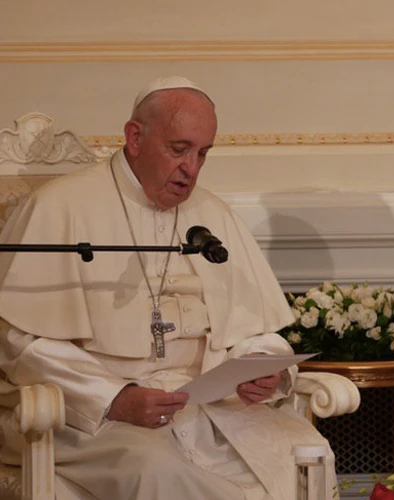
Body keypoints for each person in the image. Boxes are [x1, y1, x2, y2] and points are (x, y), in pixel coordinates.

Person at [0, 77, 336, 499]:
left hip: (203, 412)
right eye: (178, 150)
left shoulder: (214, 215)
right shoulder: (59, 206)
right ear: (135, 137)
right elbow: (18, 339)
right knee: (154, 469)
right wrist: (114, 396)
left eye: (203, 153)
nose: (191, 168)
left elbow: (257, 331)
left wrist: (264, 367)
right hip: (86, 419)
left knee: (304, 454)